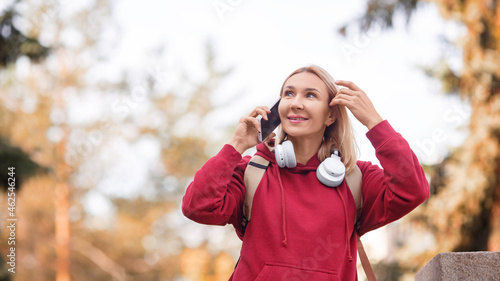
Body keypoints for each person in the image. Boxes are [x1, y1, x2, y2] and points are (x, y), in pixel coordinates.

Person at [182, 65, 430, 280]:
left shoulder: (356, 178)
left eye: (310, 95)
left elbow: (412, 190)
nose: (295, 103)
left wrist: (375, 122)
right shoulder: (252, 171)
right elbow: (197, 206)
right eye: (288, 94)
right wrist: (235, 145)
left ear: (331, 115)